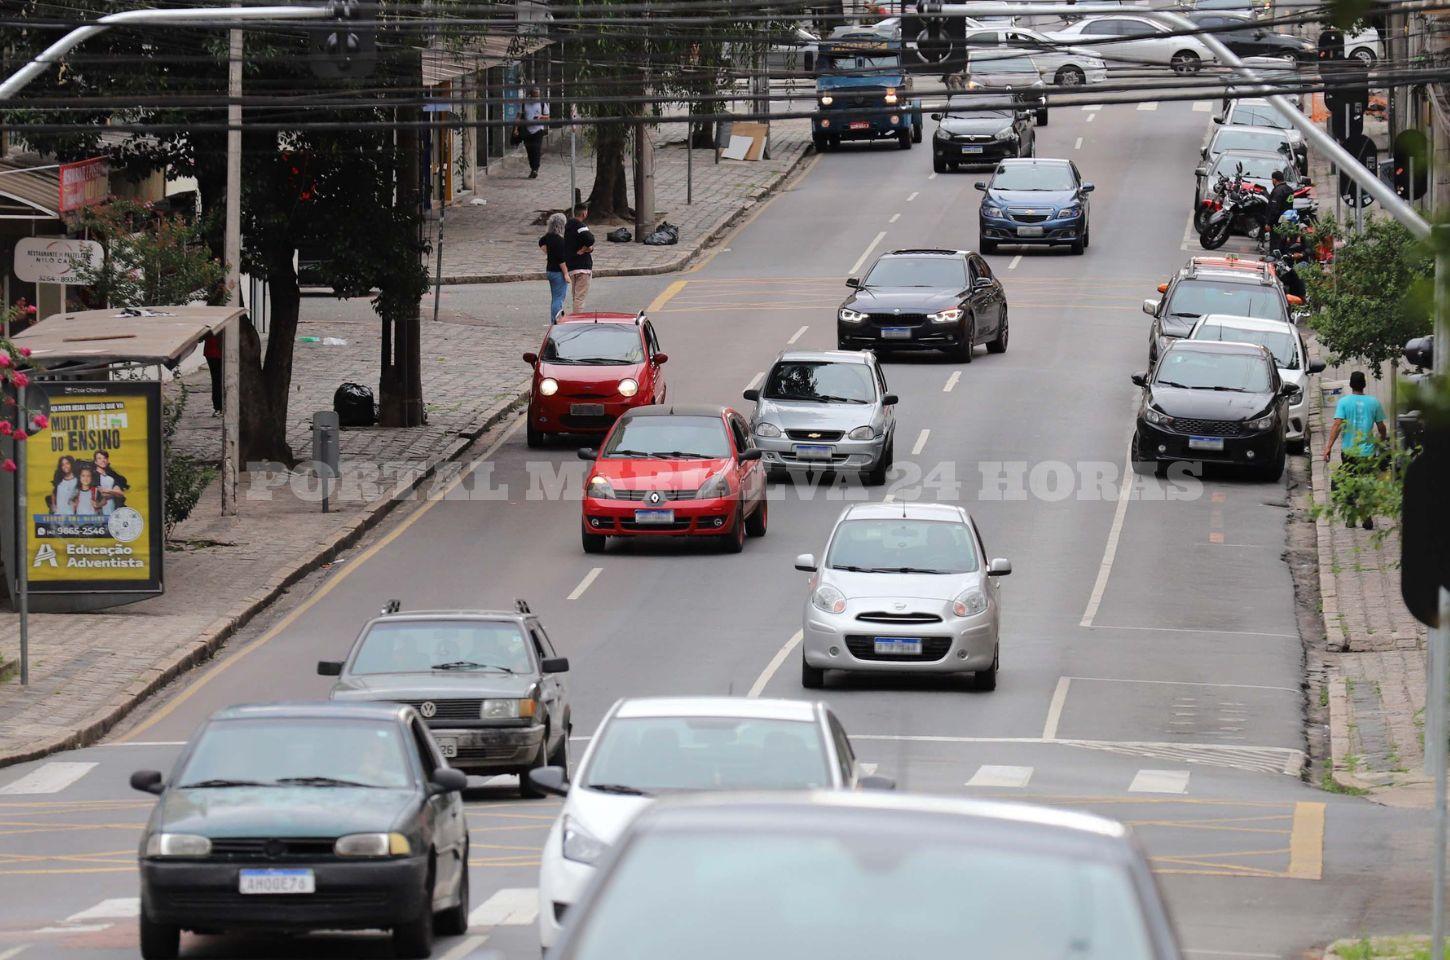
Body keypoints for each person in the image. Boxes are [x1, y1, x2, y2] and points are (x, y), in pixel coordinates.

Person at [1321, 370, 1389, 530]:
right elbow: (1382, 427)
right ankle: (1366, 515)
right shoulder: (1374, 403)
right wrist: (1381, 441)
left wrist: (1328, 447)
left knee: (1349, 482)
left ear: (1351, 385)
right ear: (1364, 384)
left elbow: (1337, 425)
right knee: (1366, 483)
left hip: (1349, 452)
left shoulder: (1344, 402)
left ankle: (1351, 518)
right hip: (1368, 453)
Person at [564, 201, 594, 313]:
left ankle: (575, 316)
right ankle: (578, 319)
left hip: (571, 266)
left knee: (575, 296)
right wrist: (585, 249)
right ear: (584, 214)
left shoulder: (568, 226)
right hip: (583, 266)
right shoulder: (581, 226)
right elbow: (590, 239)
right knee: (580, 298)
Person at [539, 212, 570, 323]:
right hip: (558, 272)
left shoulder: (548, 237)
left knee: (555, 297)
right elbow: (561, 260)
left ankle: (555, 319)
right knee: (559, 298)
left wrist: (549, 252)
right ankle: (555, 320)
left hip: (550, 270)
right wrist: (566, 274)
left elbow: (540, 242)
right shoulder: (560, 241)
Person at [520, 86, 549, 180]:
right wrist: (516, 129)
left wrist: (540, 117)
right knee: (530, 151)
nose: (537, 97)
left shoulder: (542, 103)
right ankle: (533, 167)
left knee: (536, 149)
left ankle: (535, 169)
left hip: (538, 130)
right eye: (535, 95)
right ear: (531, 94)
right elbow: (519, 116)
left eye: (538, 95)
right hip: (527, 131)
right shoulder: (524, 103)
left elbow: (547, 116)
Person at [1263, 170, 1293, 251]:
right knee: (1283, 244)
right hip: (1287, 221)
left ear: (1274, 180)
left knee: (1275, 245)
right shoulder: (1289, 189)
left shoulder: (1277, 191)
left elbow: (1274, 209)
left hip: (1277, 223)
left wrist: (1269, 223)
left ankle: (1274, 256)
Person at [93, 449, 129, 515]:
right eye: (99, 458)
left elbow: (120, 493)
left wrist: (107, 491)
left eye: (105, 458)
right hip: (98, 513)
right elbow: (102, 495)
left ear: (107, 460)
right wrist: (114, 493)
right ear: (95, 461)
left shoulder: (111, 477)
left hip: (113, 512)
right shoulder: (93, 476)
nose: (103, 460)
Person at [203, 333, 223, 415]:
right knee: (219, 380)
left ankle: (218, 407)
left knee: (216, 380)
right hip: (216, 351)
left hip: (212, 351)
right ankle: (219, 406)